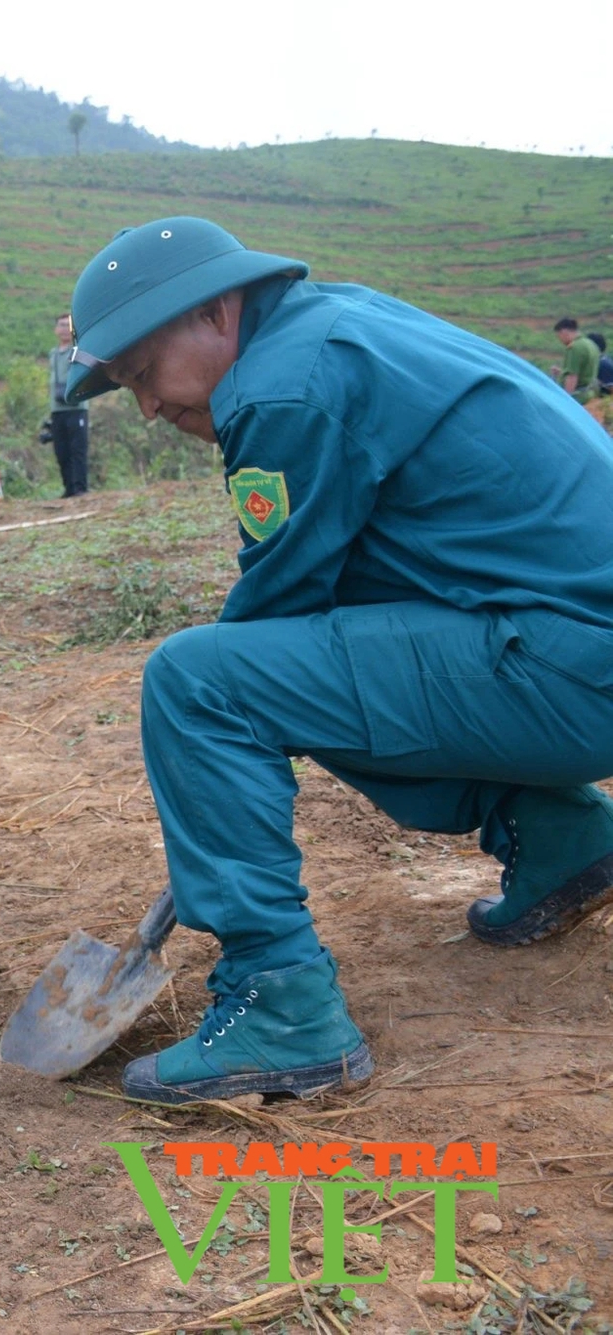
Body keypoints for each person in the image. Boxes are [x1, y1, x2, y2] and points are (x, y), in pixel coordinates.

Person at [61, 215, 613, 1106]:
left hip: (572, 660)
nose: (151, 408)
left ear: (215, 314)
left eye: (141, 374)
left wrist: (213, 758)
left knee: (197, 682)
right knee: (298, 656)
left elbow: (273, 615)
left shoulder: (281, 388)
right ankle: (561, 839)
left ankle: (283, 1005)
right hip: (572, 645)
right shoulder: (334, 325)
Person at [47, 314, 91, 496]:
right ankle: (68, 489)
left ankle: (80, 488)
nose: (64, 329)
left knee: (78, 450)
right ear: (56, 329)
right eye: (61, 325)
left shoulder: (77, 350)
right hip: (57, 410)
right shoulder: (53, 353)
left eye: (68, 325)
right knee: (61, 451)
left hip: (76, 408)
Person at [555, 318, 600, 404]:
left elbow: (572, 376)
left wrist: (566, 400)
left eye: (559, 336)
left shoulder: (574, 348)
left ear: (564, 332)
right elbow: (585, 371)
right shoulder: (591, 344)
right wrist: (561, 373)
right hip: (588, 393)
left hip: (577, 396)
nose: (560, 340)